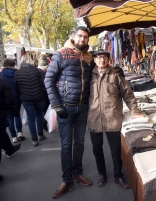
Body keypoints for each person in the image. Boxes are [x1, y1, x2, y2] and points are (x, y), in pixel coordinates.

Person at [45, 26, 95, 199]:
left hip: (82, 107)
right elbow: (49, 79)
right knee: (66, 145)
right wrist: (56, 104)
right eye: (80, 36)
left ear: (88, 39)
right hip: (65, 107)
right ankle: (66, 180)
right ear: (74, 37)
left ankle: (77, 173)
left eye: (85, 37)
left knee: (80, 142)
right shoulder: (61, 53)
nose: (82, 39)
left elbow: (96, 77)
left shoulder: (89, 57)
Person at [88, 49, 143, 189]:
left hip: (112, 118)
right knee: (97, 149)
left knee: (115, 149)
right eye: (99, 58)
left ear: (109, 59)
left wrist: (135, 111)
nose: (102, 60)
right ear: (94, 60)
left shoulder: (116, 75)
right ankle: (102, 174)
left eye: (105, 58)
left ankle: (118, 175)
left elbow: (128, 95)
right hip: (94, 118)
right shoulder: (89, 75)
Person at [14, 54, 46, 146]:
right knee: (40, 115)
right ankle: (40, 134)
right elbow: (43, 84)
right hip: (39, 97)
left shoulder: (17, 73)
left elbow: (16, 87)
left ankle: (34, 139)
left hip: (26, 99)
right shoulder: (38, 71)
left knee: (31, 118)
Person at [0, 77, 22, 181]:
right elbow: (9, 99)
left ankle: (10, 149)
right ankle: (9, 149)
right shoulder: (2, 81)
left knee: (2, 133)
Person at [1, 58, 25, 142]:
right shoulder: (16, 73)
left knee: (10, 117)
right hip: (16, 97)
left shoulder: (2, 74)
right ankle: (19, 132)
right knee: (17, 115)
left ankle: (13, 136)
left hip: (6, 99)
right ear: (13, 64)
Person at [37, 54, 50, 132]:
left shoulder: (37, 71)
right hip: (44, 95)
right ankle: (44, 125)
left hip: (38, 95)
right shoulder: (43, 72)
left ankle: (42, 127)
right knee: (44, 110)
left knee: (39, 113)